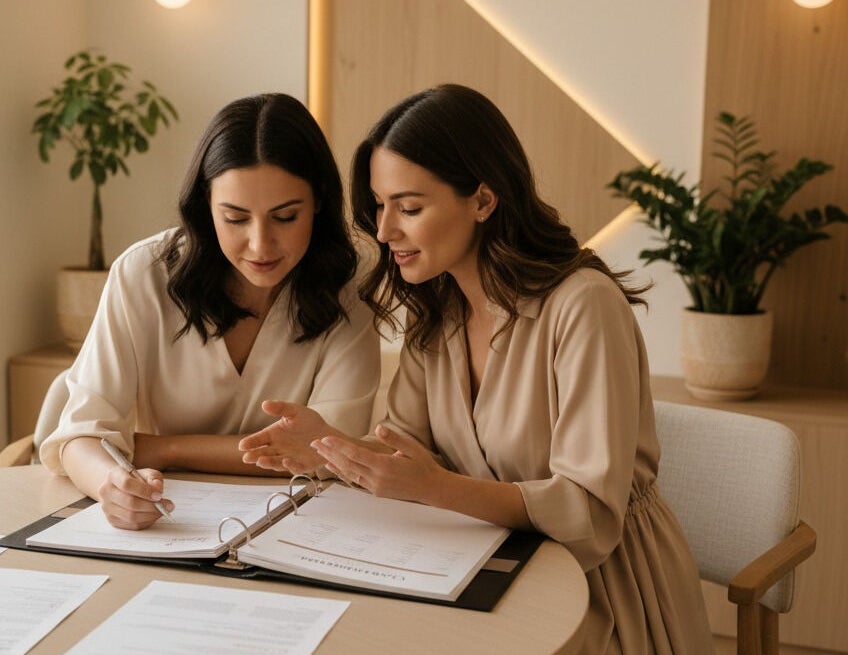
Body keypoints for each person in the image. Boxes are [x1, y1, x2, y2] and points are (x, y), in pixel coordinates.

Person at [238, 84, 712, 653]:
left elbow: (589, 512)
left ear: (483, 201)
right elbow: (411, 453)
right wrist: (331, 447)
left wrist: (439, 488)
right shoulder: (436, 314)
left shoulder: (584, 307)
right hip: (479, 564)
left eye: (409, 208)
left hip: (602, 588)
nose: (386, 231)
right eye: (380, 207)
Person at [39, 93, 380, 532]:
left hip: (299, 527)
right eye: (235, 218)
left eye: (286, 217)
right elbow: (79, 436)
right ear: (205, 206)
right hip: (172, 526)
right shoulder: (143, 274)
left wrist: (163, 449)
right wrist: (114, 483)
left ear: (317, 202)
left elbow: (327, 452)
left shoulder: (351, 282)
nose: (260, 245)